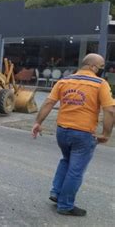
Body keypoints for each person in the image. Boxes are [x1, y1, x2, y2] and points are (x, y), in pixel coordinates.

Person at [31, 53, 113, 216]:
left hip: (62, 131)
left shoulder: (64, 81)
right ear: (93, 67)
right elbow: (110, 110)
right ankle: (65, 205)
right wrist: (106, 133)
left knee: (66, 160)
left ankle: (56, 192)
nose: (101, 70)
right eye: (101, 67)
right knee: (76, 170)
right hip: (83, 134)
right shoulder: (100, 84)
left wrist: (37, 122)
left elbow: (48, 102)